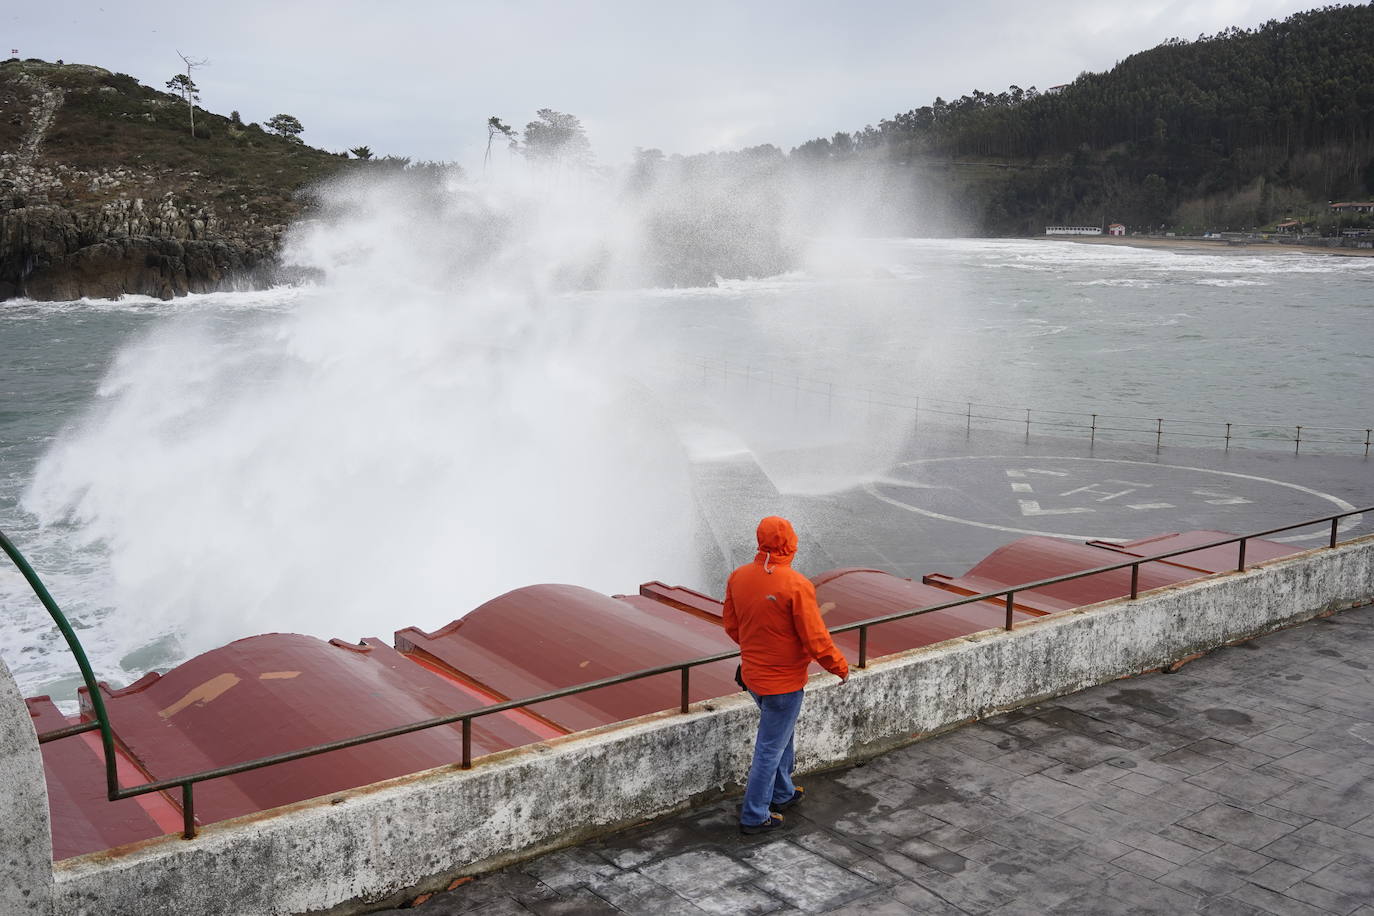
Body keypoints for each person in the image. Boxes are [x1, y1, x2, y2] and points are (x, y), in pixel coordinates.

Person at [723, 516, 849, 835]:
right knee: (770, 747)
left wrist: (758, 649)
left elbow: (732, 626)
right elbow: (815, 637)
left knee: (781, 737)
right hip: (784, 682)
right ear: (790, 543)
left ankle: (783, 793)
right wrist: (839, 666)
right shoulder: (795, 584)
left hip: (754, 677)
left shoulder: (738, 577)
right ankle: (754, 814)